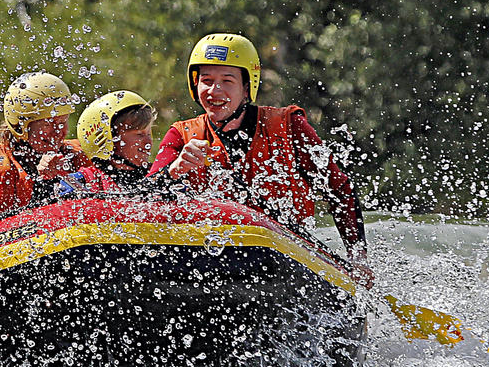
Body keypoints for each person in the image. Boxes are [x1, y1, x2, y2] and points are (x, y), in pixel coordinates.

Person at [148, 32, 367, 258]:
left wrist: (358, 256)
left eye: (227, 80)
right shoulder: (180, 135)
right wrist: (174, 171)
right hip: (212, 257)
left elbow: (339, 190)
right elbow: (143, 197)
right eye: (207, 81)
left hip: (286, 256)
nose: (215, 91)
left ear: (246, 88)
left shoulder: (290, 127)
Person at [0, 72, 89, 226]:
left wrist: (67, 178)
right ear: (20, 126)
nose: (58, 131)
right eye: (48, 124)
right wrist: (42, 183)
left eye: (63, 122)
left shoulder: (79, 153)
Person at [73, 90, 160, 190]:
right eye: (139, 134)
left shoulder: (158, 178)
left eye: (149, 133)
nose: (149, 141)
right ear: (109, 139)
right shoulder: (81, 183)